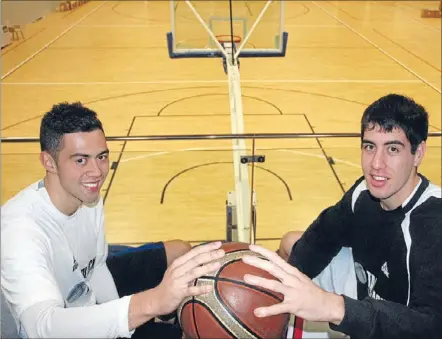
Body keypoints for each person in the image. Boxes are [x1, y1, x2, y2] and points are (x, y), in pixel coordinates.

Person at [1, 102, 225, 338]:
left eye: (102, 157)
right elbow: (42, 327)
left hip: (85, 294)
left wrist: (125, 328)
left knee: (181, 254)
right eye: (81, 160)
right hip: (62, 326)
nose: (96, 171)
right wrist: (151, 303)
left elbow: (96, 267)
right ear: (48, 162)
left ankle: (175, 315)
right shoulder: (20, 230)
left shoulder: (86, 196)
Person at [241, 93, 442, 339]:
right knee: (292, 244)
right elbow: (323, 236)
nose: (376, 164)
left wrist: (333, 307)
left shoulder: (432, 223)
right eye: (369, 147)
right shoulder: (364, 194)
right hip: (365, 295)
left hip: (401, 325)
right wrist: (276, 289)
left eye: (392, 149)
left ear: (418, 153)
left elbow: (430, 325)